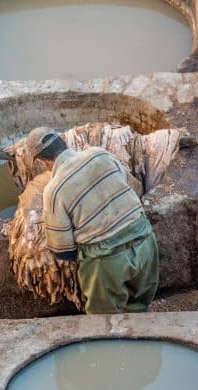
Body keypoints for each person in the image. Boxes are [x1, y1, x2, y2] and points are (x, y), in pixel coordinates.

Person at [26, 126, 159, 314]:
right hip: (145, 243)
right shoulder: (99, 155)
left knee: (104, 325)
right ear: (63, 143)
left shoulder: (54, 190)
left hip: (106, 262)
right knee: (138, 310)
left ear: (41, 162)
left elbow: (61, 249)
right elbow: (134, 187)